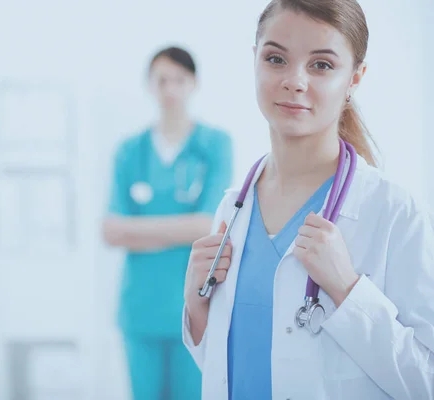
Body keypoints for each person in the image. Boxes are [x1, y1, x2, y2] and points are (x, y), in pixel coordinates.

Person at [182, 1, 434, 399]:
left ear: (355, 78)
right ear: (255, 61)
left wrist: (349, 291)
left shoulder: (393, 212)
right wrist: (197, 310)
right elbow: (232, 369)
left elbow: (426, 380)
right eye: (276, 58)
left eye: (321, 65)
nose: (294, 81)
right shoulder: (234, 208)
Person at [103, 46, 234, 400]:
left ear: (194, 84)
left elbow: (208, 225)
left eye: (180, 80)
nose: (171, 89)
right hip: (141, 310)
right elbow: (111, 231)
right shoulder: (130, 150)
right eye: (162, 80)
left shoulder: (215, 145)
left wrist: (139, 231)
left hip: (194, 307)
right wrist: (183, 228)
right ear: (149, 85)